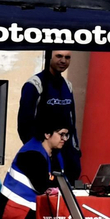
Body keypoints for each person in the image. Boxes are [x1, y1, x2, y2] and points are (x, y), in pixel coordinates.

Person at [17, 48, 82, 181]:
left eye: (67, 57)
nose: (63, 61)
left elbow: (72, 122)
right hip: (42, 153)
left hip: (65, 153)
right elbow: (24, 124)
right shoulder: (35, 84)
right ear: (49, 57)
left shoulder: (67, 86)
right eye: (59, 56)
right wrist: (37, 152)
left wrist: (75, 152)